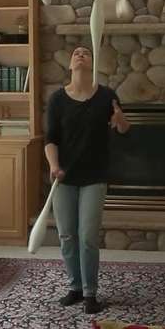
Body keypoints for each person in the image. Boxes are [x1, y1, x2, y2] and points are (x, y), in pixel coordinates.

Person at [45, 45, 130, 314]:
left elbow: (124, 130)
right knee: (67, 235)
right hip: (64, 177)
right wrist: (54, 166)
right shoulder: (57, 99)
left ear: (92, 63)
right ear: (70, 65)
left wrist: (120, 120)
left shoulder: (107, 96)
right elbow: (50, 139)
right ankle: (76, 288)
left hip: (95, 176)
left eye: (85, 52)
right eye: (76, 53)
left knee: (88, 237)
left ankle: (91, 293)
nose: (80, 54)